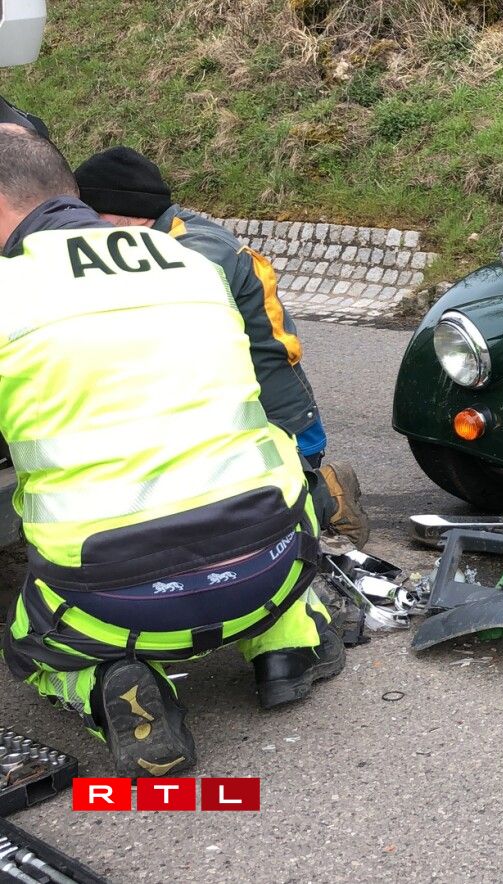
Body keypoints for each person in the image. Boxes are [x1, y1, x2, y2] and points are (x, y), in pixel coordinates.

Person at [0, 124, 344, 777]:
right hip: (269, 561)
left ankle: (106, 683)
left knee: (27, 641)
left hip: (114, 599)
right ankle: (288, 645)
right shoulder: (194, 263)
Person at [72, 146, 369, 546]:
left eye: (90, 216)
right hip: (236, 416)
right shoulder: (149, 242)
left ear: (127, 212)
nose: (79, 230)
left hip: (277, 426)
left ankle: (329, 493)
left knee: (237, 520)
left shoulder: (195, 251)